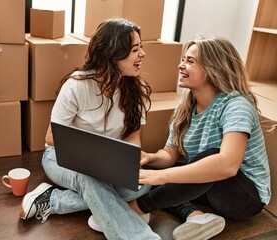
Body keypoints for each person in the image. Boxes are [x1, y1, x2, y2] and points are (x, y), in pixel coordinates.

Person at [19, 18, 162, 239]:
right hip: (61, 159)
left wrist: (130, 162)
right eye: (135, 49)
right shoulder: (77, 85)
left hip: (109, 163)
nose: (142, 54)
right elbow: (50, 138)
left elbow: (133, 137)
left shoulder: (136, 89)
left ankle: (52, 200)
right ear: (114, 53)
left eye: (141, 47)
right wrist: (93, 156)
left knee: (141, 185)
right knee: (91, 179)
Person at [124, 36, 271, 240]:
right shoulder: (185, 106)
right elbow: (170, 155)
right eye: (183, 59)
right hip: (207, 188)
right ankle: (196, 216)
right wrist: (151, 158)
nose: (180, 65)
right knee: (149, 170)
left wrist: (161, 177)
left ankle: (136, 208)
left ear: (214, 68)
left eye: (189, 61)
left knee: (211, 157)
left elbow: (227, 165)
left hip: (243, 197)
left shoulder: (237, 105)